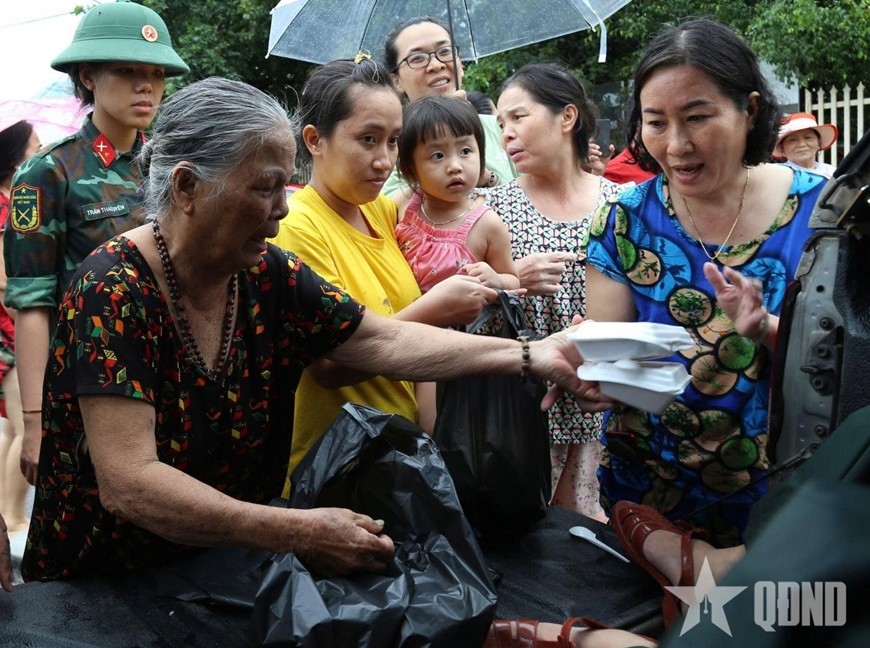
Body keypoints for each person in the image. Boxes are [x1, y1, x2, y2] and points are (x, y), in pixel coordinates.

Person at [20, 75, 605, 582]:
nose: (282, 209)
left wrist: (531, 355)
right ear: (187, 187)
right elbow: (131, 483)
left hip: (226, 569)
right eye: (264, 188)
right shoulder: (112, 290)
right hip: (105, 586)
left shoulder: (267, 273)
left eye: (284, 185)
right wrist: (295, 530)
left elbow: (380, 339)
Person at [585, 18, 825, 547]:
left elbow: (847, 368)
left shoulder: (822, 219)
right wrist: (587, 371)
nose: (677, 145)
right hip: (649, 494)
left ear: (750, 110)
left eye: (697, 117)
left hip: (786, 496)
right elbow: (613, 361)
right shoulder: (623, 221)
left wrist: (765, 328)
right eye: (656, 122)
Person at [270, 58, 497, 477]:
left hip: (400, 457)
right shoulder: (297, 226)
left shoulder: (382, 210)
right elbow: (330, 368)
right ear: (315, 140)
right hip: (337, 467)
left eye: (393, 141)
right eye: (368, 139)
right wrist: (436, 309)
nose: (384, 160)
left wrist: (509, 271)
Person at [3, 0, 188, 487]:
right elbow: (32, 301)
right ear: (88, 76)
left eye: (156, 73)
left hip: (168, 379)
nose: (146, 86)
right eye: (128, 71)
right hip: (87, 389)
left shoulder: (168, 167)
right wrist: (35, 421)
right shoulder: (49, 172)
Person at [485, 62, 628, 520]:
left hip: (608, 411)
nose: (506, 133)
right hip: (523, 416)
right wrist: (511, 281)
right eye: (501, 123)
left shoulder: (622, 204)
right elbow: (465, 314)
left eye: (518, 116)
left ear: (567, 117)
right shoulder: (487, 210)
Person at [395, 95, 519, 293]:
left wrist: (497, 280)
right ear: (410, 168)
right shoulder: (405, 202)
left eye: (465, 151)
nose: (455, 166)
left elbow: (513, 279)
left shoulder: (487, 224)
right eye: (438, 156)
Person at [381, 16, 517, 195]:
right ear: (396, 81)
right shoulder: (390, 148)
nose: (436, 65)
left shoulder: (502, 130)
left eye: (445, 51)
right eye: (417, 58)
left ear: (461, 64)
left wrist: (486, 178)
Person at [0, 121, 41, 534]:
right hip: (10, 336)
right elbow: (4, 283)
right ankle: (12, 517)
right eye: (36, 148)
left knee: (10, 428)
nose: (43, 155)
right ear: (16, 162)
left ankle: (7, 511)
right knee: (23, 427)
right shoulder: (6, 210)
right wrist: (28, 329)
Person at [773, 112, 838, 178]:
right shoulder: (776, 174)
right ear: (781, 148)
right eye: (793, 140)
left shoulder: (831, 172)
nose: (802, 144)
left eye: (808, 138)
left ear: (818, 142)